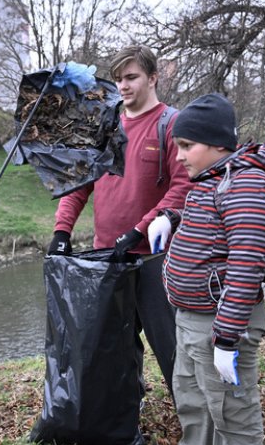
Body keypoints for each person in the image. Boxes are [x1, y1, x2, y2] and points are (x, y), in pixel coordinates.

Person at [150, 94, 265, 445]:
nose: (180, 155)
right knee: (191, 397)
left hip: (223, 326)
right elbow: (206, 233)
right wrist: (170, 218)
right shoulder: (211, 178)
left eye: (187, 146)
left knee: (231, 408)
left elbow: (246, 265)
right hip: (190, 319)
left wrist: (227, 337)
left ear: (217, 143)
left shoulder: (247, 184)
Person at [47, 44, 188, 397]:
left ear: (153, 78)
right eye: (117, 79)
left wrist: (140, 229)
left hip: (156, 259)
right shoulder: (104, 126)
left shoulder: (171, 124)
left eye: (131, 77)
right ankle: (126, 413)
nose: (123, 86)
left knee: (172, 347)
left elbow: (182, 189)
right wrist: (62, 230)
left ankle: (193, 416)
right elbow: (78, 182)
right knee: (117, 348)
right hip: (107, 258)